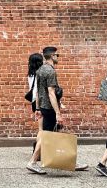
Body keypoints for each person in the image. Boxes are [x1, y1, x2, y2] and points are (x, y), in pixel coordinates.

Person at [26, 46, 88, 174]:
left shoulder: (40, 70)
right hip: (50, 108)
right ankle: (32, 162)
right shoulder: (50, 71)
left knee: (57, 132)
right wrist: (58, 113)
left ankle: (70, 162)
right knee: (46, 135)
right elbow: (51, 93)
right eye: (57, 55)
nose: (57, 57)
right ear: (52, 56)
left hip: (43, 107)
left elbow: (37, 92)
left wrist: (37, 108)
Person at [26, 53, 44, 148]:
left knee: (42, 128)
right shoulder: (39, 74)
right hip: (39, 102)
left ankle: (40, 149)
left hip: (34, 102)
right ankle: (37, 150)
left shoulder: (30, 74)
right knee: (42, 129)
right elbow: (38, 91)